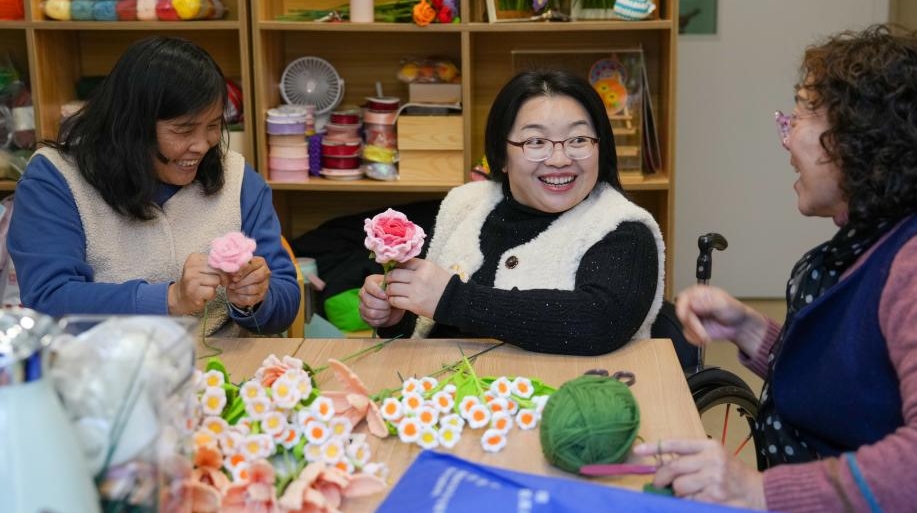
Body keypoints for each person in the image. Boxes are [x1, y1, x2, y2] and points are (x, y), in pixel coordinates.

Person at [633, 24, 917, 512]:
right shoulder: (865, 246)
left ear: (858, 137)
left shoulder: (910, 267)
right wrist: (750, 332)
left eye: (801, 115)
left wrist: (755, 490)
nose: (786, 141)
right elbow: (853, 386)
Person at [358, 69, 665, 355]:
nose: (559, 159)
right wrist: (395, 316)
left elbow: (598, 322)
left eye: (578, 140)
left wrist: (452, 299)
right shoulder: (465, 205)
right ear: (501, 155)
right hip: (448, 400)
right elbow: (429, 327)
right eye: (536, 141)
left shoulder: (624, 230)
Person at [8, 36, 300, 335]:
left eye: (213, 126)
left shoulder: (236, 176)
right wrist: (170, 299)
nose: (202, 145)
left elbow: (285, 297)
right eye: (183, 130)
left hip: (217, 374)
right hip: (99, 371)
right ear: (131, 126)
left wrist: (255, 299)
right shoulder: (56, 180)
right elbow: (49, 300)